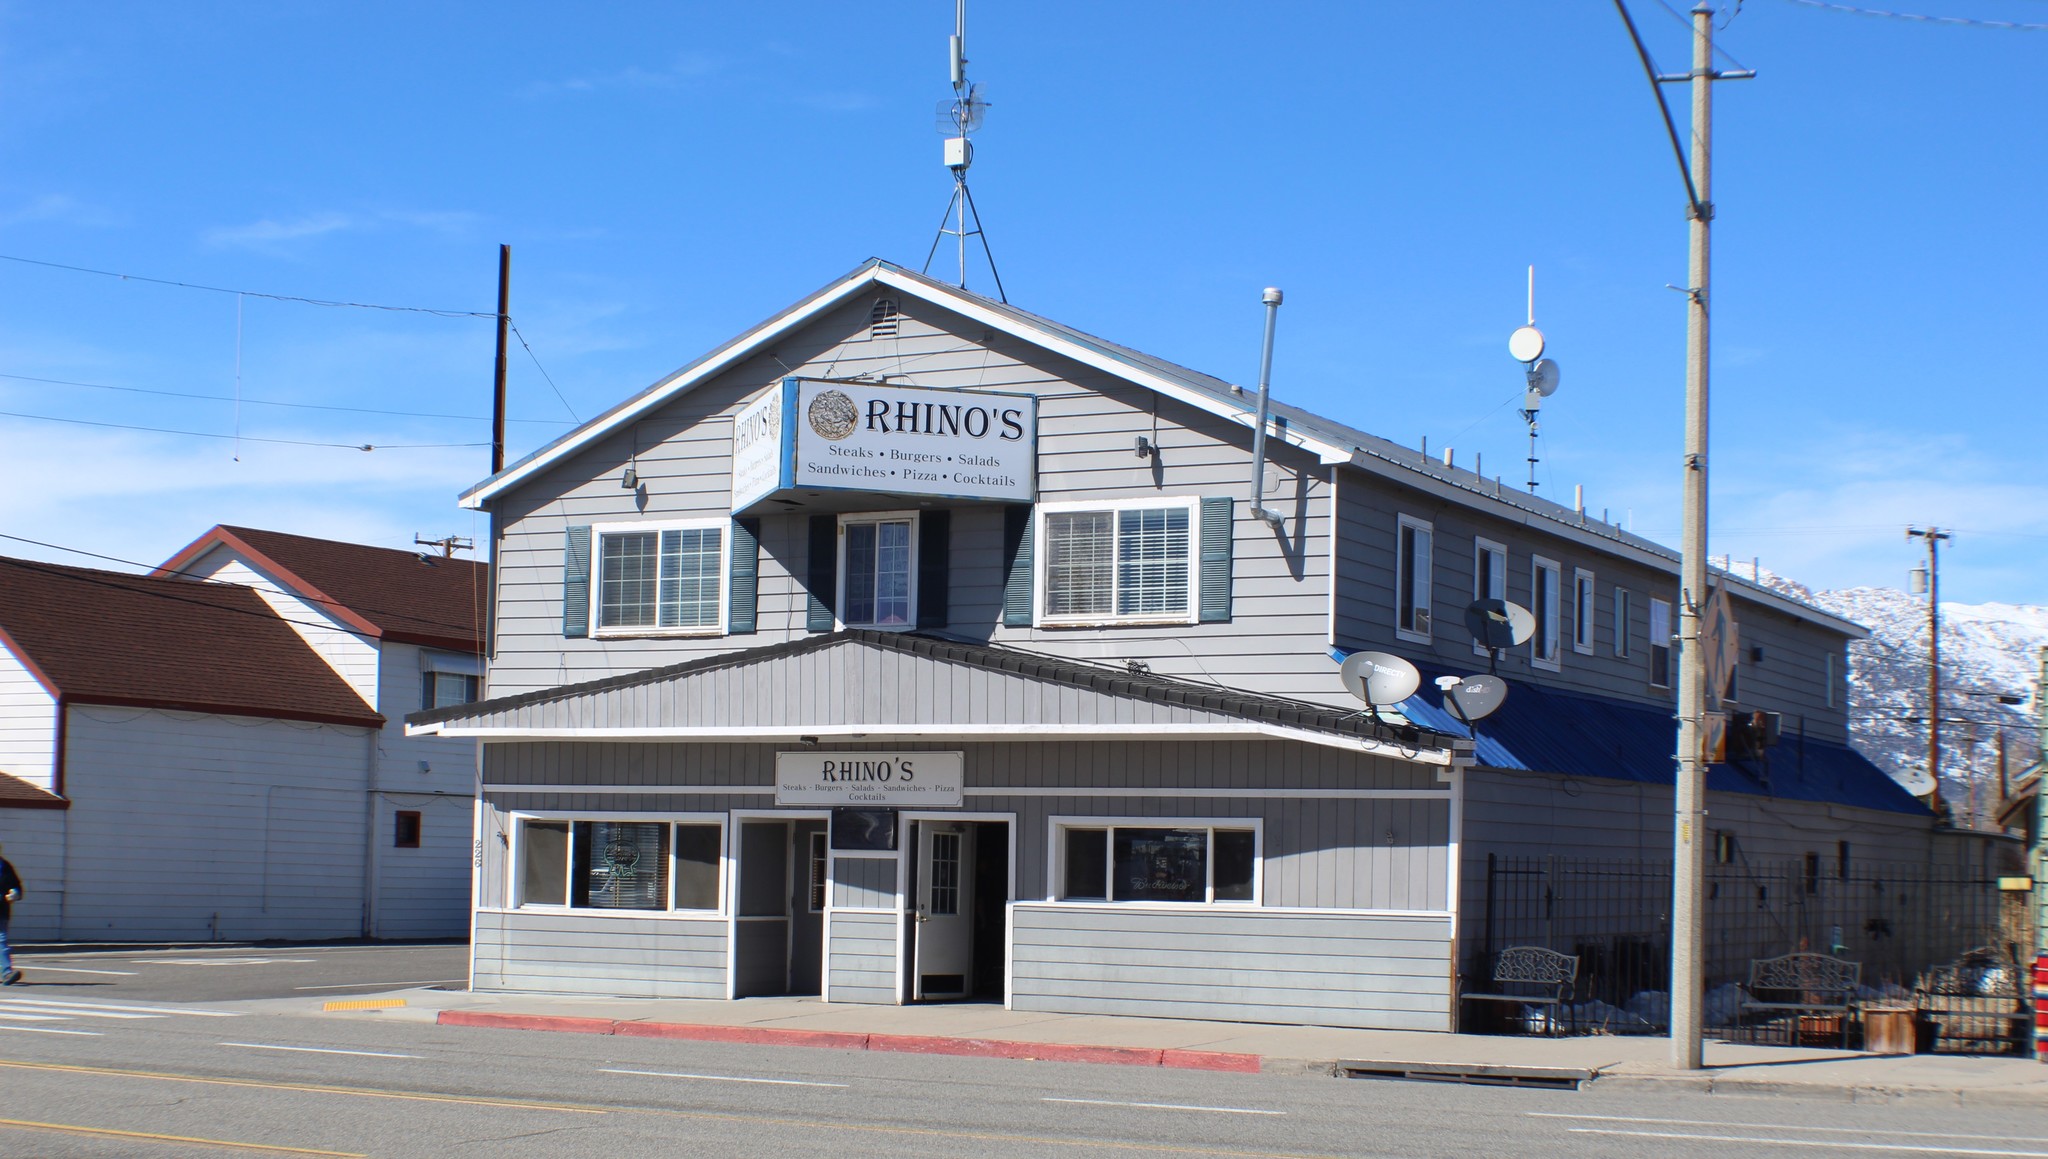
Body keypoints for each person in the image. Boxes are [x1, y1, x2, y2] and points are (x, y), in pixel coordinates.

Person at [0, 843, 21, 985]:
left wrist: (15, 893)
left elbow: (16, 885)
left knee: (1, 941)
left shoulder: (5, 866)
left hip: (2, 911)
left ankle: (7, 973)